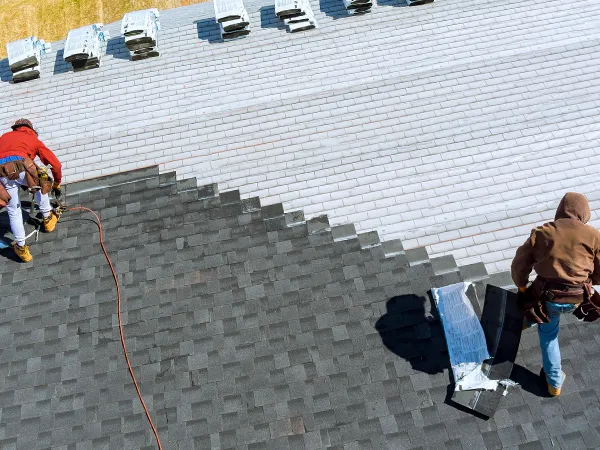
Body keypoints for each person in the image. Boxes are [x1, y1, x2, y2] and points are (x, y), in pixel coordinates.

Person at [511, 192, 600, 397]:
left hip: (546, 297)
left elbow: (519, 265)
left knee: (549, 335)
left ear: (560, 210)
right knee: (547, 314)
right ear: (584, 214)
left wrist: (523, 286)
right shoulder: (595, 237)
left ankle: (554, 382)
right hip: (577, 299)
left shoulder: (543, 232)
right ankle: (529, 320)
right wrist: (586, 282)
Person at [0, 119, 62, 262]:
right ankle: (47, 219)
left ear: (16, 128)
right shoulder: (32, 139)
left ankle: (21, 248)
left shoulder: (3, 138)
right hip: (22, 166)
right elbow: (55, 164)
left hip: (2, 172)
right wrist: (57, 182)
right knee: (42, 183)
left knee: (13, 209)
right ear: (31, 129)